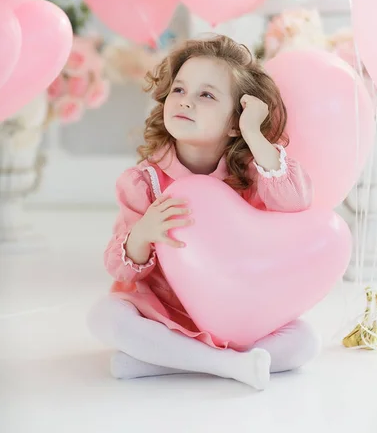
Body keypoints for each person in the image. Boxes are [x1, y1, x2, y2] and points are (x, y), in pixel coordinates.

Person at [88, 35, 320, 390]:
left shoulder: (253, 176)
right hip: (163, 311)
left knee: (304, 341)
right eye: (179, 90)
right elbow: (117, 267)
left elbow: (296, 199)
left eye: (206, 95)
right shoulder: (144, 182)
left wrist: (254, 136)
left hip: (234, 312)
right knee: (106, 318)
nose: (186, 102)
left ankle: (167, 361)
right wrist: (143, 235)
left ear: (234, 123)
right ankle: (226, 364)